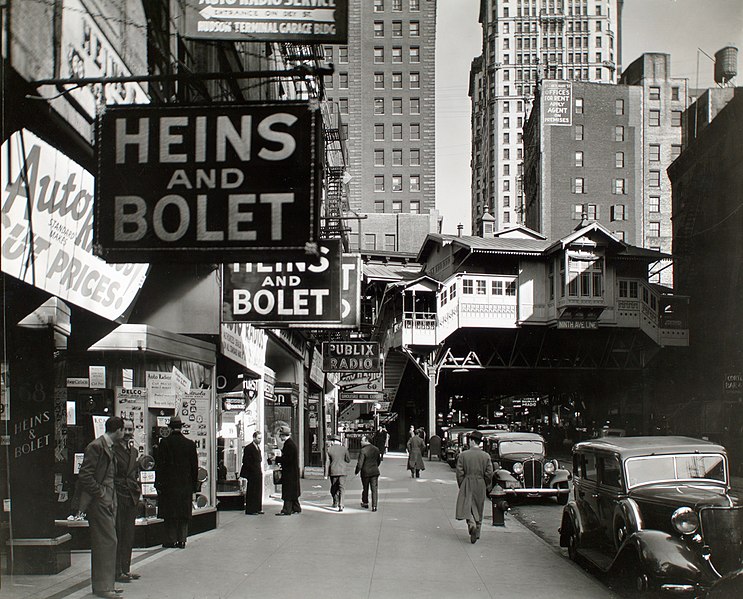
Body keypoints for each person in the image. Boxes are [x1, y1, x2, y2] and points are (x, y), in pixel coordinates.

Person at [78, 415, 126, 599]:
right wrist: (101, 493)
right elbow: (85, 475)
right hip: (100, 501)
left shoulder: (107, 446)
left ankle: (106, 585)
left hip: (107, 500)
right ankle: (104, 587)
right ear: (118, 430)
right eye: (124, 430)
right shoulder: (96, 447)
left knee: (106, 542)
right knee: (107, 541)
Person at [155, 415, 198, 548]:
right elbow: (194, 467)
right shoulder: (190, 444)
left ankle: (171, 539)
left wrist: (158, 483)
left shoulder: (165, 443)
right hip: (185, 486)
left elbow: (160, 466)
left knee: (171, 514)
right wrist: (193, 486)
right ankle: (182, 540)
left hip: (169, 486)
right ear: (181, 427)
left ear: (170, 427)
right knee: (183, 514)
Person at [113, 419, 141, 584]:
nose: (129, 432)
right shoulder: (113, 451)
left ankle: (125, 568)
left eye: (131, 429)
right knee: (119, 534)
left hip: (131, 496)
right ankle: (117, 570)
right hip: (119, 495)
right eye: (125, 429)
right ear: (120, 430)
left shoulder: (134, 451)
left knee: (128, 535)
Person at [455, 430, 494, 544]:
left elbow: (459, 472)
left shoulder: (463, 455)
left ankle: (471, 524)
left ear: (472, 441)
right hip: (480, 482)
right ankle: (477, 532)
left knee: (467, 506)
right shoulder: (486, 456)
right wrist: (485, 483)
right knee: (479, 506)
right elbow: (489, 473)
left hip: (467, 481)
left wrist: (462, 484)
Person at [274, 426, 301, 515]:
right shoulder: (291, 443)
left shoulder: (288, 445)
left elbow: (287, 459)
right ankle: (296, 508)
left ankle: (287, 509)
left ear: (283, 435)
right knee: (293, 491)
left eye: (281, 436)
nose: (280, 438)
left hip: (289, 473)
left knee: (288, 491)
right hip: (293, 472)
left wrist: (276, 458)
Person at [240, 431, 264, 515]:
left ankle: (257, 508)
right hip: (252, 473)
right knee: (252, 491)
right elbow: (246, 461)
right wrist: (252, 470)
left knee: (258, 490)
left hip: (258, 472)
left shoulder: (258, 447)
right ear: (254, 438)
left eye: (260, 438)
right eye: (258, 438)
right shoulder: (249, 448)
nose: (260, 440)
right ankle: (251, 509)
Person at [325, 435, 351, 511]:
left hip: (333, 472)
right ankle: (341, 505)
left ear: (333, 441)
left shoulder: (329, 449)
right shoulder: (344, 449)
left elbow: (327, 462)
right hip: (343, 471)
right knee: (342, 488)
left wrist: (326, 474)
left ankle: (335, 501)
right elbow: (348, 460)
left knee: (334, 488)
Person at [355, 435, 381, 511]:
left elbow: (360, 463)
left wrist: (357, 471)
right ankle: (374, 506)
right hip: (374, 471)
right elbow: (378, 460)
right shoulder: (376, 449)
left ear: (366, 441)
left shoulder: (363, 450)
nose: (361, 442)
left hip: (365, 472)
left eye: (362, 440)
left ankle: (365, 502)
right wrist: (375, 466)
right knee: (374, 489)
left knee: (365, 488)